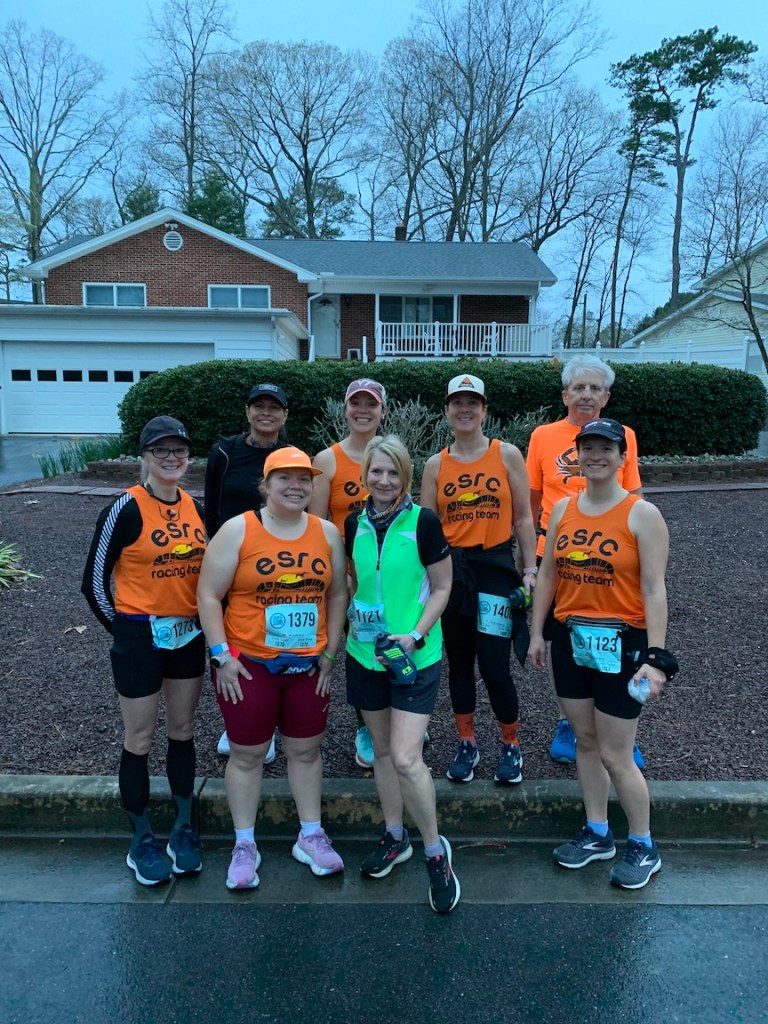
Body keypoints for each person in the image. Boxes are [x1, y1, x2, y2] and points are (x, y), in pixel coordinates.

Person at [528, 418, 677, 890]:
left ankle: (643, 844)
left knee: (617, 752)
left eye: (605, 448)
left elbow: (654, 588)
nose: (595, 456)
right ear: (576, 454)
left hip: (624, 643)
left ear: (622, 456)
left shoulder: (642, 514)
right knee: (585, 742)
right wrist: (536, 633)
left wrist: (655, 657)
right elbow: (548, 574)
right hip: (571, 641)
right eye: (587, 447)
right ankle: (597, 833)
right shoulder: (564, 510)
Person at [196, 446, 348, 890]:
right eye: (285, 478)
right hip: (248, 666)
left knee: (305, 752)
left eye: (304, 479)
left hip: (307, 666)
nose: (296, 486)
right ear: (266, 484)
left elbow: (337, 594)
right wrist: (221, 654)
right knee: (246, 755)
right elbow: (208, 594)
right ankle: (245, 843)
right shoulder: (238, 529)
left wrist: (330, 653)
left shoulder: (326, 533)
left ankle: (310, 834)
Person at [82, 416, 206, 886]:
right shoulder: (126, 506)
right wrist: (125, 630)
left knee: (182, 729)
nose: (171, 458)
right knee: (139, 738)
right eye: (161, 451)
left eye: (179, 451)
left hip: (186, 636)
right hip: (139, 635)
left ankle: (183, 828)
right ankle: (140, 838)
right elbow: (93, 582)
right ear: (145, 458)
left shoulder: (195, 508)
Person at [345, 435, 459, 913]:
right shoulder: (352, 523)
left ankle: (436, 852)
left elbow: (443, 585)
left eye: (393, 473)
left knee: (409, 757)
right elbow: (351, 582)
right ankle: (396, 837)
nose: (384, 480)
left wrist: (414, 633)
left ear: (405, 477)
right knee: (383, 752)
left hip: (414, 655)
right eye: (377, 472)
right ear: (365, 475)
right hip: (364, 653)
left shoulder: (424, 522)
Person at [526, 355, 644, 767]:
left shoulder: (623, 434)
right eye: (579, 388)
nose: (587, 395)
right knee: (564, 638)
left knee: (614, 633)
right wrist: (533, 553)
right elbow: (534, 496)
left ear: (607, 397)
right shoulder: (543, 436)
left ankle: (618, 729)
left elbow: (634, 494)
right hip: (558, 550)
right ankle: (570, 722)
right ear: (565, 395)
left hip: (609, 555)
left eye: (595, 389)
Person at [420, 373, 538, 785]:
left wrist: (530, 569)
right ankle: (466, 742)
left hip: (494, 571)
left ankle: (511, 744)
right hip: (454, 574)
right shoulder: (436, 465)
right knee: (460, 665)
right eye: (457, 403)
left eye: (473, 403)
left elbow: (523, 517)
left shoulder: (506, 454)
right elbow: (428, 530)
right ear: (447, 411)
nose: (465, 409)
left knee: (494, 666)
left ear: (484, 410)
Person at [204, 381, 289, 761]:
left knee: (271, 636)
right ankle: (239, 720)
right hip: (231, 559)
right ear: (247, 411)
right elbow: (212, 508)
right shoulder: (224, 451)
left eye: (274, 407)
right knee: (230, 638)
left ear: (285, 415)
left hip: (276, 563)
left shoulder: (290, 455)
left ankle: (269, 725)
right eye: (259, 406)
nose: (266, 413)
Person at [309, 377, 386, 769]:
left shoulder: (390, 455)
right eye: (355, 403)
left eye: (370, 404)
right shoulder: (327, 460)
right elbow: (317, 526)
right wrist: (341, 576)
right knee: (357, 654)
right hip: (345, 578)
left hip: (386, 575)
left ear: (382, 411)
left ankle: (401, 719)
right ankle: (365, 727)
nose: (362, 410)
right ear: (345, 409)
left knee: (389, 645)